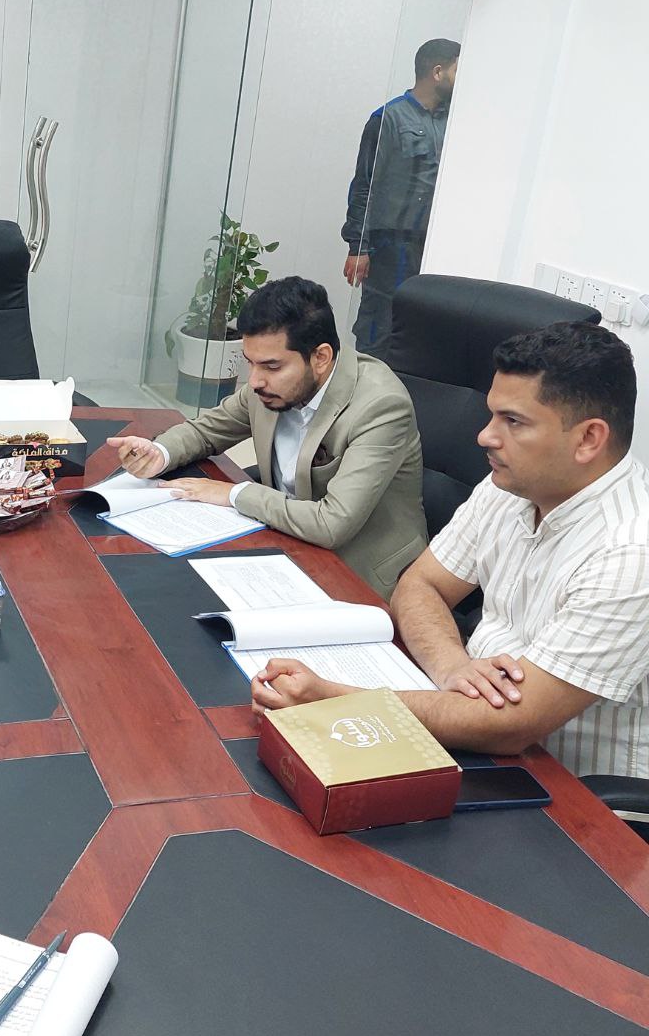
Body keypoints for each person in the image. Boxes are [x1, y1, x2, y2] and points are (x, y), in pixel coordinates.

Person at [251, 322, 649, 780]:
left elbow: (512, 725)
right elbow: (419, 584)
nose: (486, 436)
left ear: (588, 439)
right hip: (472, 737)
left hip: (564, 790)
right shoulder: (510, 487)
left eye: (513, 422)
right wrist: (452, 666)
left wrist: (328, 699)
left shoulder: (630, 554)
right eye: (492, 415)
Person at [110, 276, 425, 599]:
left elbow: (332, 524)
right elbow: (205, 431)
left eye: (272, 367)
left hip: (359, 575)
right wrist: (159, 453)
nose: (255, 381)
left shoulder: (380, 406)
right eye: (250, 363)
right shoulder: (269, 387)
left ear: (320, 358)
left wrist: (233, 493)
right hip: (286, 546)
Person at [341, 37, 460, 355]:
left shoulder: (456, 121)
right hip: (390, 247)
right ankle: (367, 382)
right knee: (380, 325)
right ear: (438, 72)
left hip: (432, 246)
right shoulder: (388, 118)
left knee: (422, 327)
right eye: (457, 71)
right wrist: (358, 247)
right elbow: (364, 185)